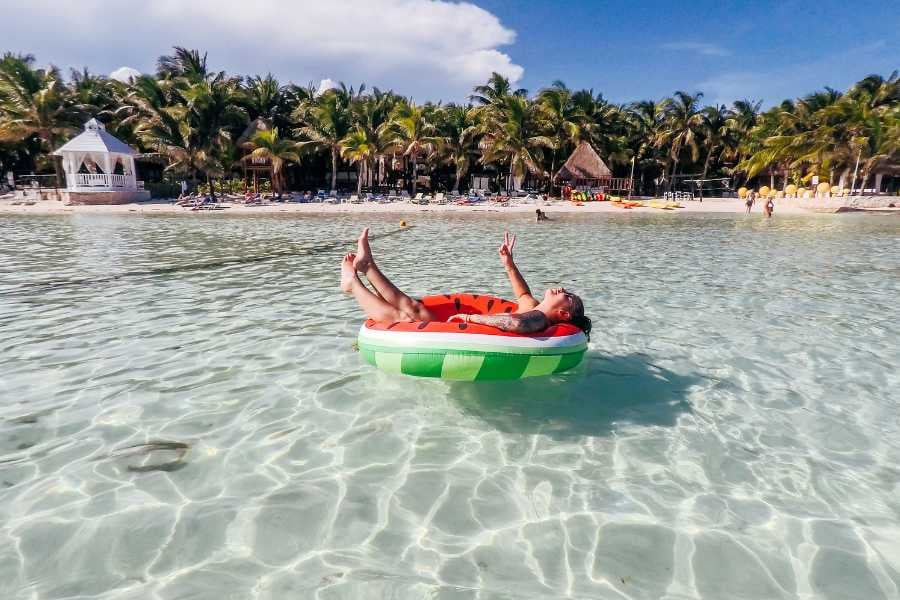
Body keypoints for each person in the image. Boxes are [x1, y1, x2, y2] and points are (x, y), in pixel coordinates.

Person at [340, 229, 591, 335]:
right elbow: (523, 293)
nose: (562, 289)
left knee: (405, 317)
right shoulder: (533, 307)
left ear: (564, 314)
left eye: (567, 296)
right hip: (465, 333)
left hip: (473, 335)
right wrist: (509, 263)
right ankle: (368, 267)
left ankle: (354, 284)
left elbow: (513, 321)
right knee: (416, 309)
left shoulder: (539, 319)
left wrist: (468, 318)